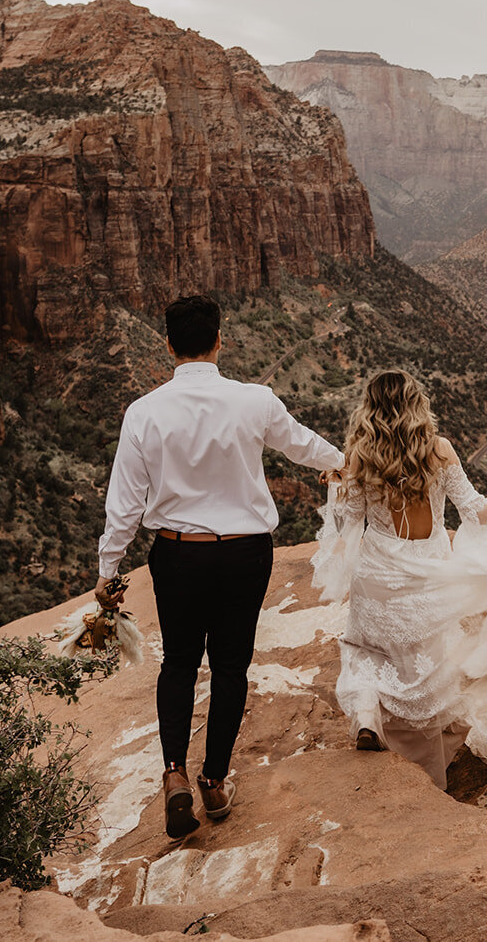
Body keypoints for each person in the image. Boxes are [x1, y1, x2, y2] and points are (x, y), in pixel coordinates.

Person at [96, 294, 344, 840]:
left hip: (177, 554)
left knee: (179, 663)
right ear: (219, 342)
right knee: (231, 667)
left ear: (168, 346)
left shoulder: (144, 412)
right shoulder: (255, 400)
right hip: (244, 552)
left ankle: (173, 775)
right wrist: (348, 464)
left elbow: (124, 504)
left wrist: (108, 569)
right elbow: (304, 446)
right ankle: (213, 779)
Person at [313, 370, 487, 790]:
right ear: (416, 404)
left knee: (364, 650)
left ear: (369, 409)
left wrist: (339, 486)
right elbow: (476, 511)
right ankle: (428, 775)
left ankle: (368, 718)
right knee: (427, 666)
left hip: (377, 575)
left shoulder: (357, 455)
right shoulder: (439, 450)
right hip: (429, 575)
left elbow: (349, 522)